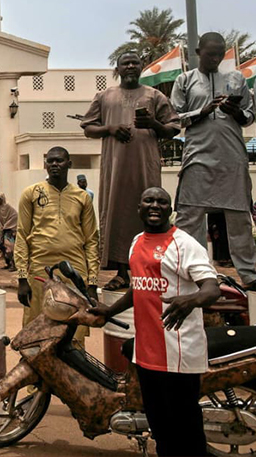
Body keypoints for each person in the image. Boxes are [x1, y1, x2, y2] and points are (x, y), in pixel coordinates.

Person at [90, 187, 218, 457]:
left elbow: (211, 289)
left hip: (180, 352)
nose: (155, 205)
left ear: (170, 209)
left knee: (186, 427)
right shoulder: (136, 242)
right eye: (149, 200)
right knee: (160, 426)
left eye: (162, 201)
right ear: (139, 207)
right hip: (147, 352)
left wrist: (190, 300)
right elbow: (138, 288)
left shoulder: (185, 244)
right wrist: (109, 311)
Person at [81, 51, 180, 290]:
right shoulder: (105, 96)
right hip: (115, 168)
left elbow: (173, 127)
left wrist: (153, 124)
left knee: (150, 212)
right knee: (117, 214)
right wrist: (111, 128)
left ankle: (149, 270)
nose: (131, 66)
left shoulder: (154, 95)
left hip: (146, 166)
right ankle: (123, 273)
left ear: (141, 67)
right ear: (118, 68)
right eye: (126, 63)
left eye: (135, 63)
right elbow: (88, 127)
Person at [171, 31, 256, 289]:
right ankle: (195, 273)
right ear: (198, 53)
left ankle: (250, 276)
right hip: (198, 155)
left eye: (220, 54)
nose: (216, 58)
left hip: (232, 156)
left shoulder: (236, 78)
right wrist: (203, 110)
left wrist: (236, 112)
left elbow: (250, 116)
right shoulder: (185, 80)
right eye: (210, 54)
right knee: (190, 216)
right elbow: (175, 118)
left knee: (239, 217)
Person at [15, 147, 99, 344]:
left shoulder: (82, 197)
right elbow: (22, 235)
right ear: (45, 165)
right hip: (39, 270)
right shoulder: (31, 194)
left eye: (59, 161)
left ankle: (73, 371)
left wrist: (93, 283)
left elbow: (91, 240)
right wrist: (21, 279)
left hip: (75, 271)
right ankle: (36, 372)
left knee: (74, 330)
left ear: (69, 164)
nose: (54, 165)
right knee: (36, 328)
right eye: (50, 161)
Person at [0, 192, 17, 271]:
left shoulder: (7, 207)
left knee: (9, 247)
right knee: (1, 245)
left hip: (10, 229)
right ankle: (8, 263)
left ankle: (14, 265)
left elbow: (15, 215)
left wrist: (8, 225)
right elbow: (1, 219)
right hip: (4, 229)